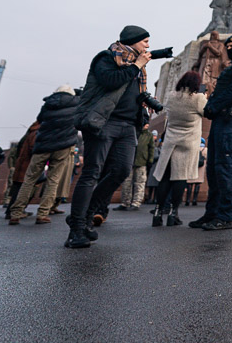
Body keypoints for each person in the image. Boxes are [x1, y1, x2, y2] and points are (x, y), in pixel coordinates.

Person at [66, 25, 159, 248]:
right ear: (132, 40)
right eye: (145, 41)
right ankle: (77, 228)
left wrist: (143, 105)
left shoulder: (138, 68)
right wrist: (137, 65)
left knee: (121, 171)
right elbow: (110, 81)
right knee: (92, 172)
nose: (148, 45)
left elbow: (130, 91)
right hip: (104, 122)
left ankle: (87, 215)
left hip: (128, 126)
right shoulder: (106, 57)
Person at [190, 34, 232, 231]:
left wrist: (213, 106)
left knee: (225, 167)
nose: (230, 50)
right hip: (222, 119)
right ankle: (212, 213)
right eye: (228, 47)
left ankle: (227, 216)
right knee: (214, 168)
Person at [9, 86, 80, 224]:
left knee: (29, 179)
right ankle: (42, 214)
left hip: (42, 145)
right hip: (62, 147)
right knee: (53, 180)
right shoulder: (77, 103)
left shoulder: (48, 104)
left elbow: (40, 120)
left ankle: (16, 213)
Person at [152, 70, 208, 227]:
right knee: (180, 178)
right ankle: (173, 213)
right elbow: (207, 112)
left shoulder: (171, 95)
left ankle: (157, 212)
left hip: (171, 141)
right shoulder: (198, 98)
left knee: (165, 178)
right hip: (188, 142)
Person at [117, 124, 156, 211]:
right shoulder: (133, 131)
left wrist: (149, 160)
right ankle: (125, 202)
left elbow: (151, 148)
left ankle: (136, 203)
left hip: (142, 162)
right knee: (126, 182)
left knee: (139, 183)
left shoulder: (149, 135)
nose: (147, 125)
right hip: (129, 161)